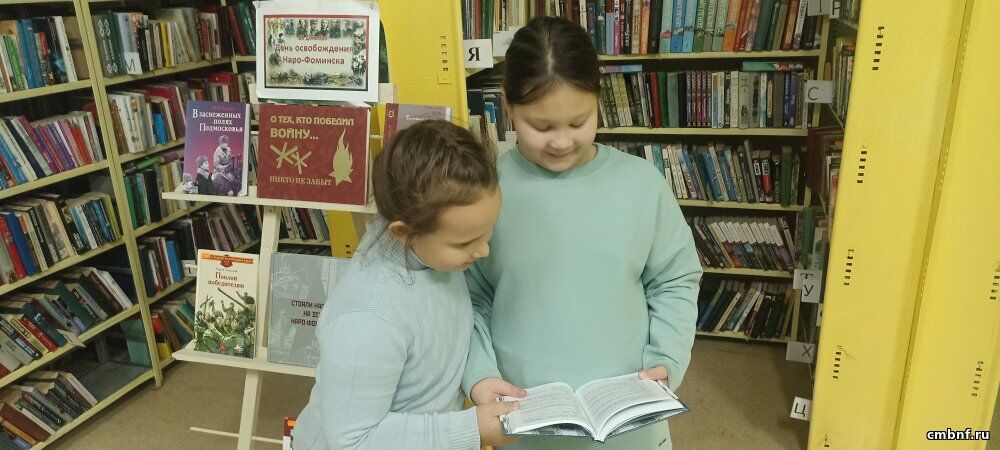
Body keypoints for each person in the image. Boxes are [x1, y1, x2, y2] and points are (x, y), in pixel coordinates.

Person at [461, 17, 703, 450]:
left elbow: (674, 279)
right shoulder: (484, 191)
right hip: (523, 413)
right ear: (508, 106)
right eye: (541, 126)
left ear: (598, 99)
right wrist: (478, 374)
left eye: (578, 122)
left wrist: (667, 357)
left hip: (631, 415)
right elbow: (467, 298)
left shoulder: (641, 184)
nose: (560, 142)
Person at [292, 120, 518, 449]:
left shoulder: (433, 248)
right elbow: (353, 441)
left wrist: (479, 378)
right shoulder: (367, 320)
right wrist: (471, 428)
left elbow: (451, 332)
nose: (483, 250)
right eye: (464, 242)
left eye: (488, 230)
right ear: (403, 232)